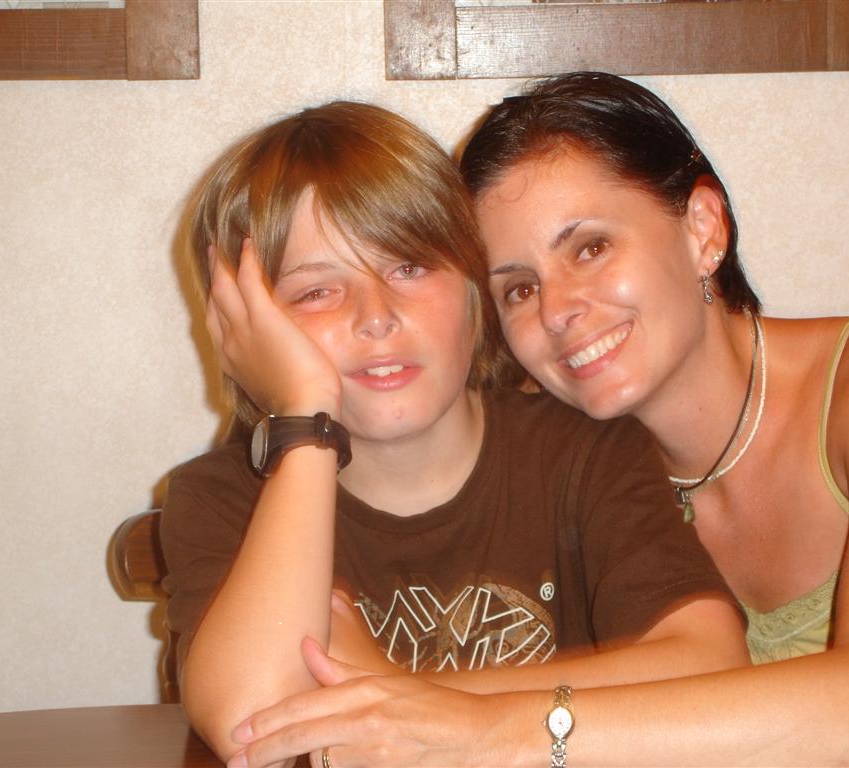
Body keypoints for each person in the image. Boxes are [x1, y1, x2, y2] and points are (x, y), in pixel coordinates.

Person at [226, 74, 849, 768]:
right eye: (519, 288)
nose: (559, 309)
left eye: (590, 247)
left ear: (704, 229)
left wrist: (464, 724)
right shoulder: (571, 456)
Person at [159, 99, 749, 765]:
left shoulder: (582, 448)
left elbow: (711, 665)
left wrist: (399, 699)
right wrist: (303, 417)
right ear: (244, 331)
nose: (376, 316)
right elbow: (252, 727)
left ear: (475, 292)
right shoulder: (223, 499)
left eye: (408, 267)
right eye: (316, 291)